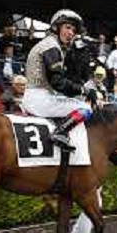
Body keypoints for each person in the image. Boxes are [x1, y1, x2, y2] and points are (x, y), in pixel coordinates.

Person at [22, 9, 98, 151]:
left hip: (35, 96)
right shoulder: (52, 46)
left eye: (73, 30)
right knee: (86, 108)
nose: (71, 33)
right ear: (57, 27)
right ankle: (60, 132)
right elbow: (58, 83)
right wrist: (84, 90)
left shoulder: (49, 44)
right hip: (39, 99)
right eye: (68, 27)